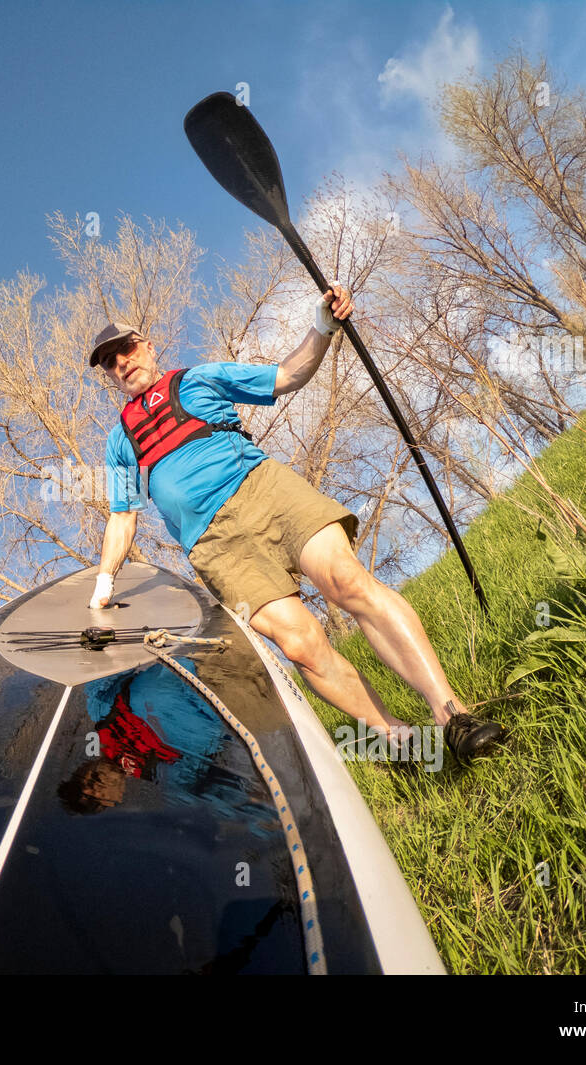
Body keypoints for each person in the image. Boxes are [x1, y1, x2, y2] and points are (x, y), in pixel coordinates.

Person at [85, 285, 505, 763]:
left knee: (347, 581)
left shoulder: (198, 379)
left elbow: (286, 375)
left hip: (264, 491)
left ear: (147, 345)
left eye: (127, 348)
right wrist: (104, 582)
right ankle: (401, 740)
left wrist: (323, 327)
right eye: (110, 361)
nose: (122, 362)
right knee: (300, 644)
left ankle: (453, 717)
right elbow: (123, 515)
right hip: (214, 545)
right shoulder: (120, 442)